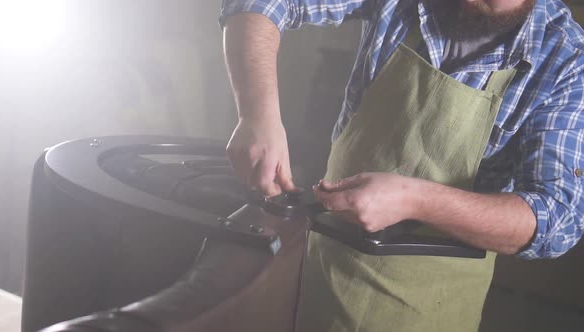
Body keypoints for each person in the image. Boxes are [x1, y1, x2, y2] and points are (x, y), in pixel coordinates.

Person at [219, 0, 584, 331]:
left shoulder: (566, 59)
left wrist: (417, 200)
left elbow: (555, 220)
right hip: (314, 270)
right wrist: (257, 113)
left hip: (426, 309)